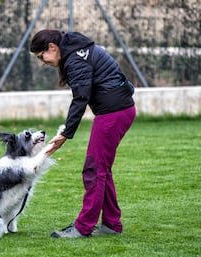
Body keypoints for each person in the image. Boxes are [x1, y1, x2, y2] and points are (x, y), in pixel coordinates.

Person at [30, 30, 136, 238]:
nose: (43, 62)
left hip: (113, 113)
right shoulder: (77, 51)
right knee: (102, 170)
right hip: (118, 109)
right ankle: (111, 225)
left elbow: (81, 98)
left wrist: (66, 134)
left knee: (94, 170)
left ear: (52, 47)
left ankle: (83, 227)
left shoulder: (75, 59)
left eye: (41, 56)